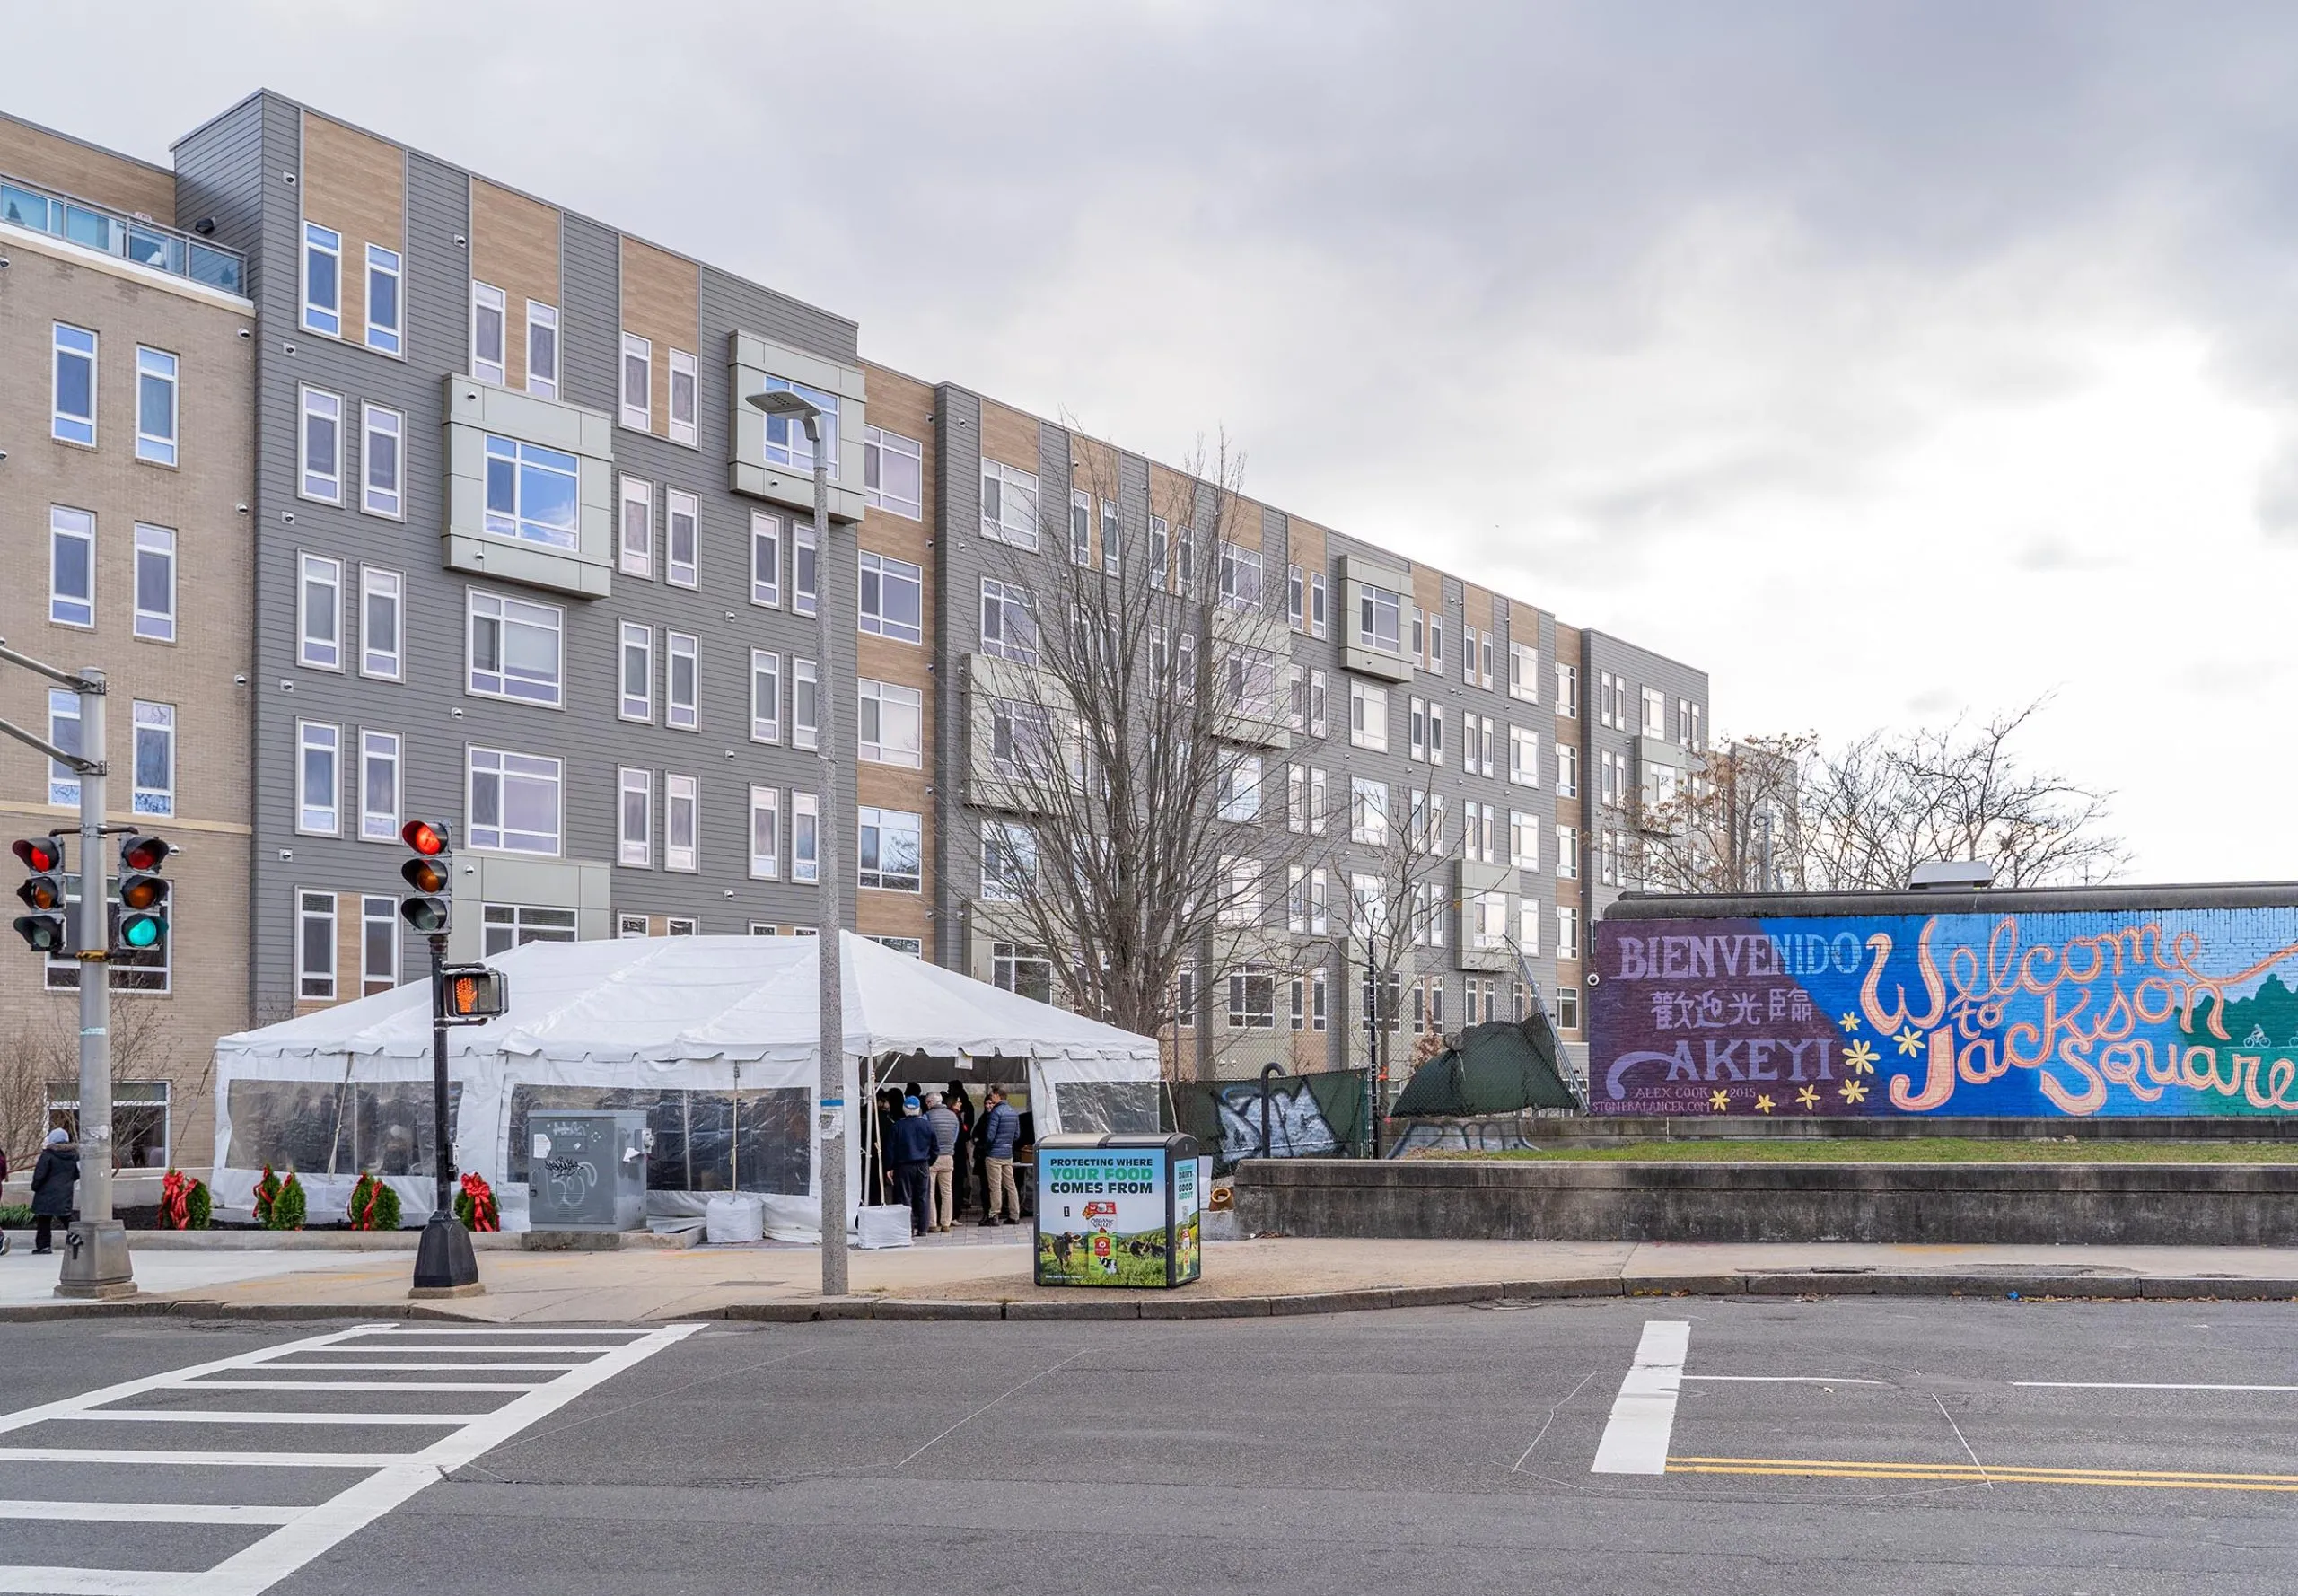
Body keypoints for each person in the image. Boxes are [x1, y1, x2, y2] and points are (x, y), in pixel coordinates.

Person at [886, 1094, 936, 1237]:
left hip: (903, 1166)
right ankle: (923, 1228)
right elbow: (935, 1148)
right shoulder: (927, 1125)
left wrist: (889, 1167)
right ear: (919, 1109)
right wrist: (929, 1162)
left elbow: (891, 1149)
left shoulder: (897, 1126)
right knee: (923, 1196)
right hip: (923, 1164)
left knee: (905, 1197)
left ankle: (909, 1228)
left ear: (904, 1109)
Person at [31, 1127, 79, 1255]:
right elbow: (77, 1173)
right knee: (67, 1218)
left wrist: (35, 1186)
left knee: (44, 1220)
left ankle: (44, 1246)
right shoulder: (74, 1155)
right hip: (65, 1192)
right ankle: (78, 1241)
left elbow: (39, 1174)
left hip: (46, 1193)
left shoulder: (48, 1155)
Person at [979, 1085, 1022, 1226]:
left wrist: (986, 1147)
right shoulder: (1013, 1112)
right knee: (1011, 1185)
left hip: (994, 1155)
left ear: (997, 1095)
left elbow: (990, 1136)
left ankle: (994, 1215)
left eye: (992, 1094)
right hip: (1007, 1154)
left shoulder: (996, 1113)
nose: (991, 1096)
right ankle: (1015, 1215)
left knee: (995, 1186)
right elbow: (1017, 1135)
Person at [923, 1092, 961, 1233]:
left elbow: (924, 1137)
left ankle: (932, 1223)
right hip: (948, 1156)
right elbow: (955, 1137)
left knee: (930, 1192)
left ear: (930, 1103)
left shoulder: (927, 1116)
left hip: (933, 1157)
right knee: (947, 1192)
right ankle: (946, 1223)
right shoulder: (953, 1116)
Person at [943, 1081, 977, 1219]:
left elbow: (965, 1129)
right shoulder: (963, 1107)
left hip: (956, 1148)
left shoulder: (961, 1108)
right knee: (959, 1178)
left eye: (950, 1087)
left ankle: (958, 1204)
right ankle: (957, 1206)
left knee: (957, 1179)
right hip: (959, 1147)